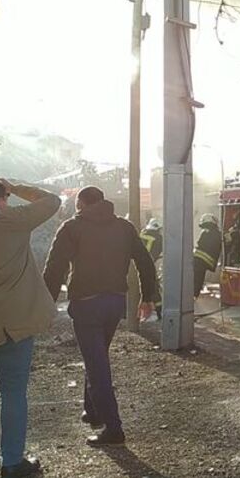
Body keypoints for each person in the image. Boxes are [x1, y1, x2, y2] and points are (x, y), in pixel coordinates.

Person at [43, 186, 157, 447]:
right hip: (116, 302)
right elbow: (145, 261)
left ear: (81, 203)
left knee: (97, 364)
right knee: (97, 355)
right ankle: (92, 410)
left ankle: (113, 428)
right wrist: (148, 296)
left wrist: (46, 305)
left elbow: (54, 268)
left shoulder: (72, 227)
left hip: (86, 304)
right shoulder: (125, 227)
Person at [0, 178, 60, 478]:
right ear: (1, 199)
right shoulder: (11, 220)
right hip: (14, 326)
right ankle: (12, 463)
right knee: (12, 394)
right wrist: (16, 186)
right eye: (6, 197)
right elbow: (52, 200)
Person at [139, 218, 164, 319]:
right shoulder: (159, 238)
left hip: (137, 264)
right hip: (149, 265)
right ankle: (159, 313)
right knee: (153, 288)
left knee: (135, 289)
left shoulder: (142, 233)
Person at [193, 213, 222, 298]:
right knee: (198, 277)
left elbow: (199, 243)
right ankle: (194, 293)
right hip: (207, 260)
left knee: (197, 277)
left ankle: (194, 294)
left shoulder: (205, 233)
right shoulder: (217, 234)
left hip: (199, 259)